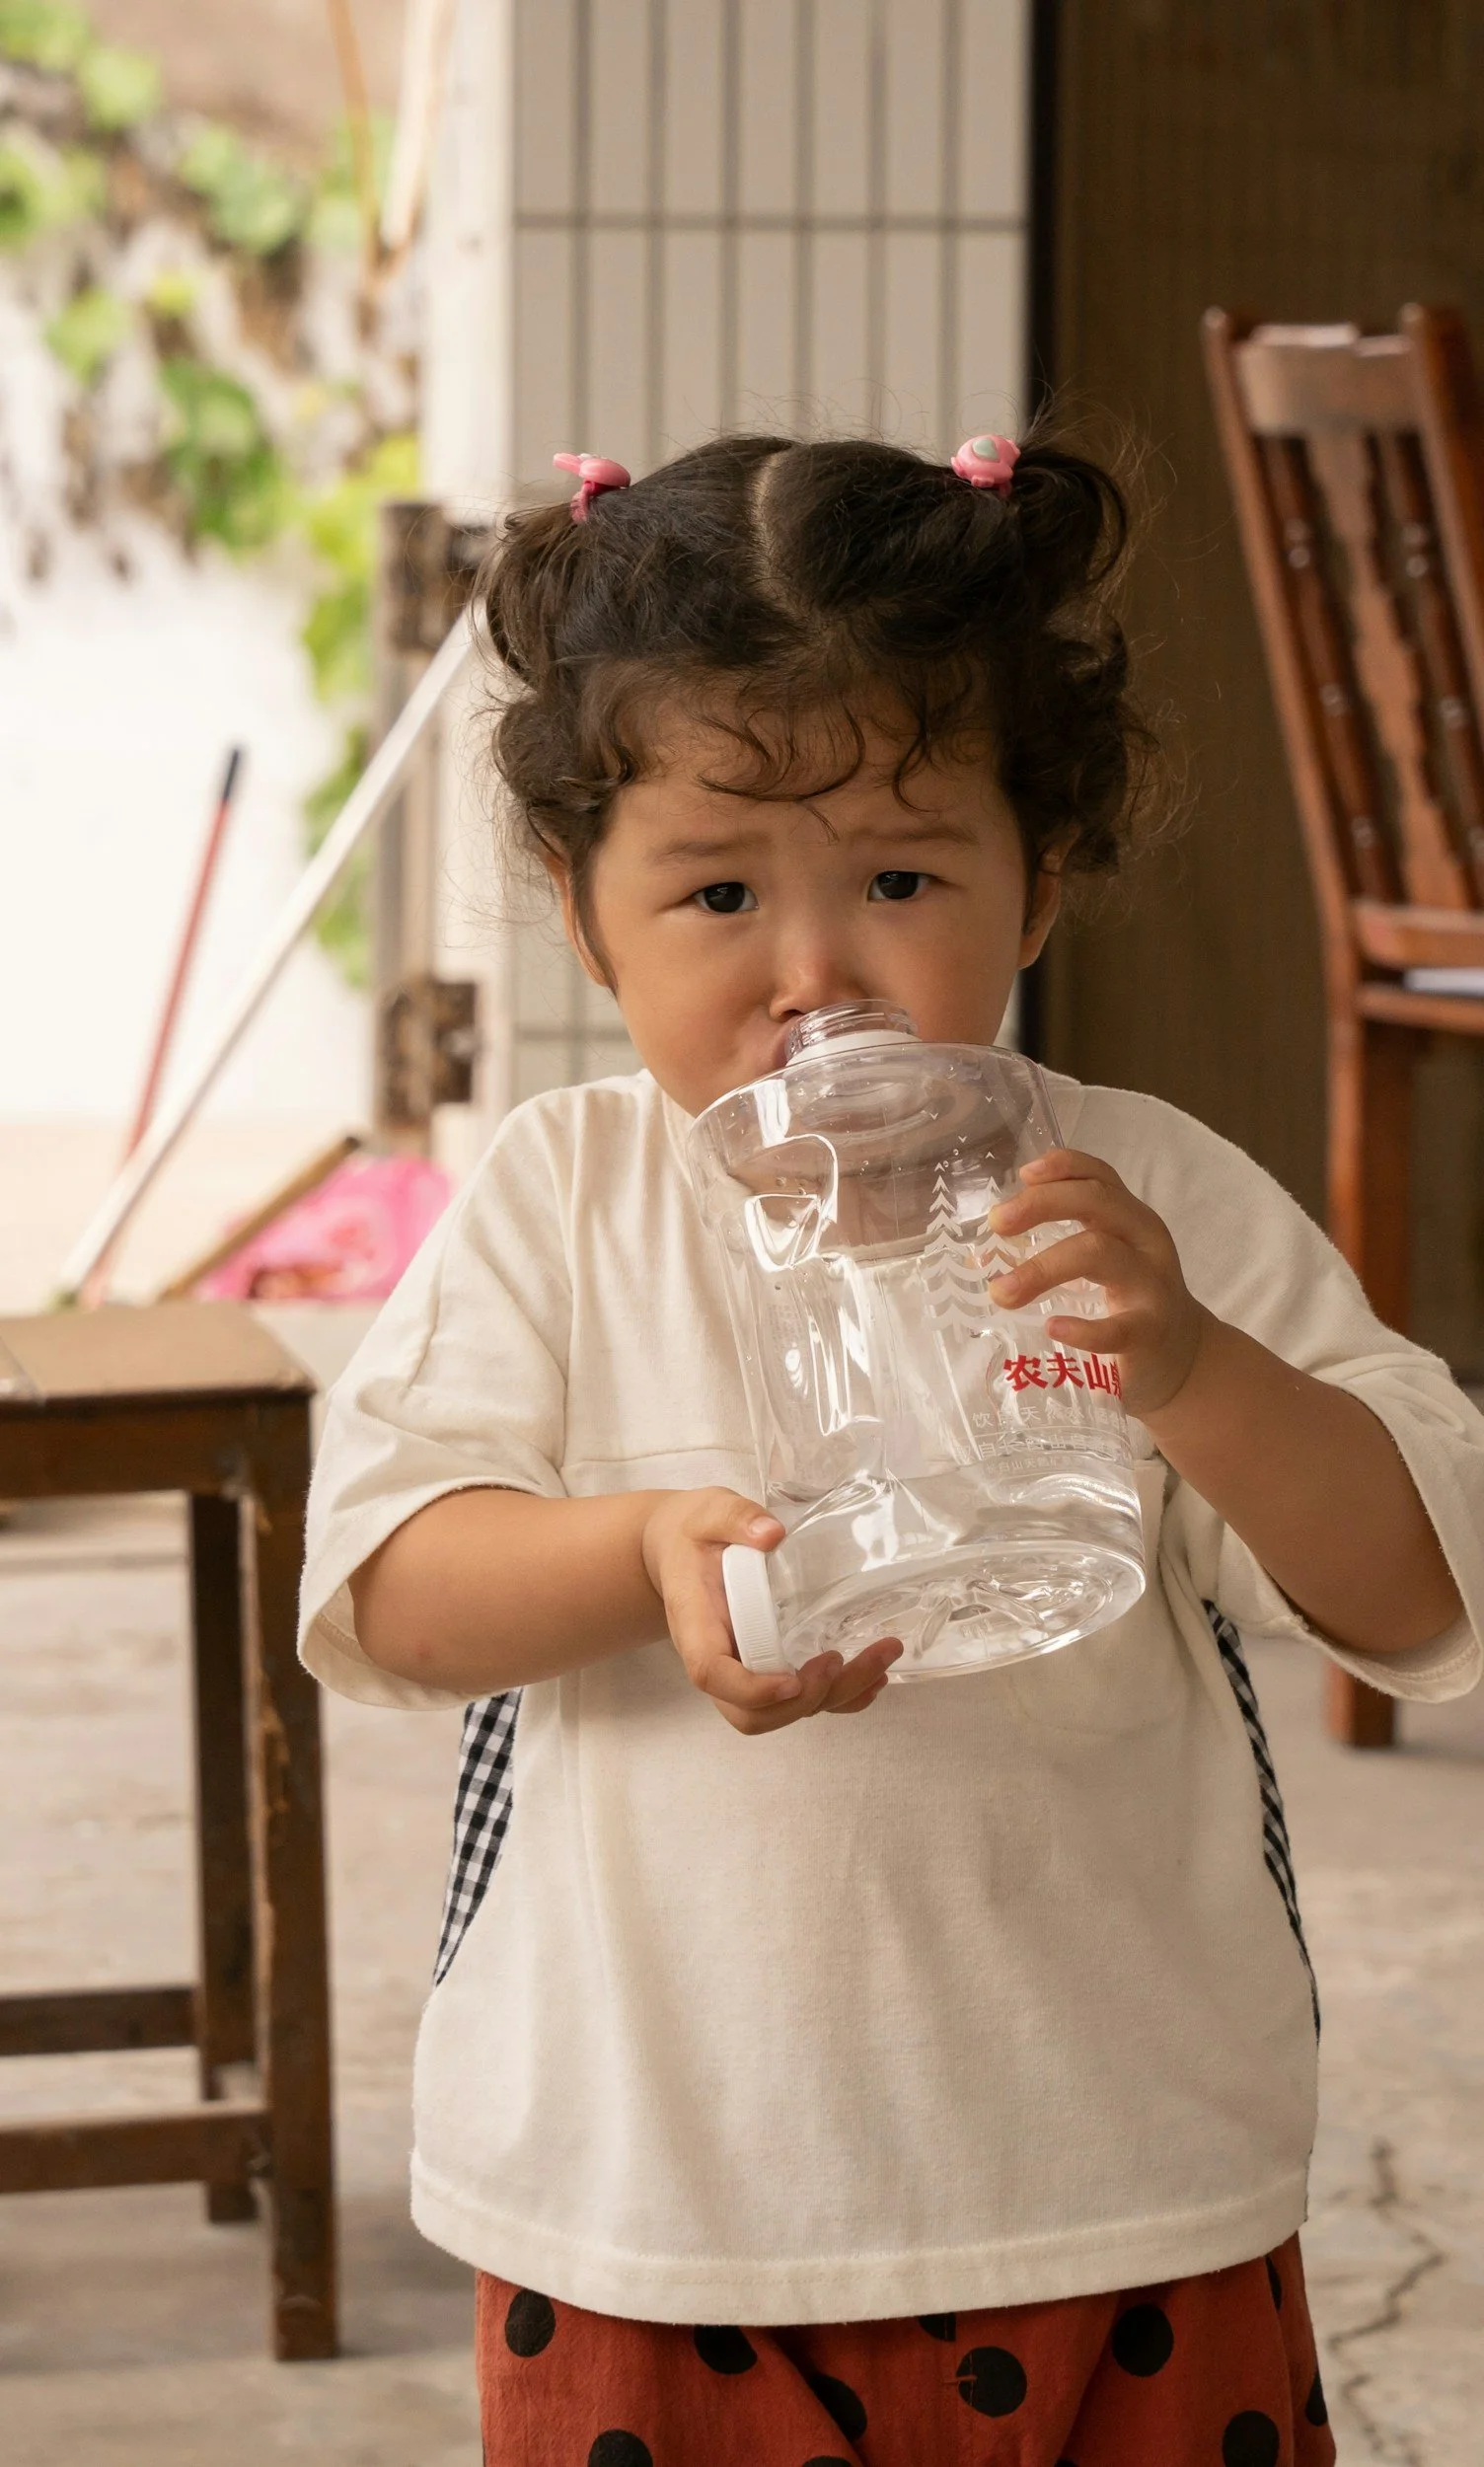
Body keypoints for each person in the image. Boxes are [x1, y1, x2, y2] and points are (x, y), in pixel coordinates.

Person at [298, 430, 1483, 2467]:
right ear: (588, 922)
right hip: (665, 2216)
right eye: (719, 891)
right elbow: (389, 1587)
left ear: (1043, 876)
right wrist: (643, 1549)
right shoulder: (566, 1203)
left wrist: (1189, 1364)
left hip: (1123, 2188)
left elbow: (1412, 1585)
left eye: (903, 878)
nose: (813, 972)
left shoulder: (1135, 1194)